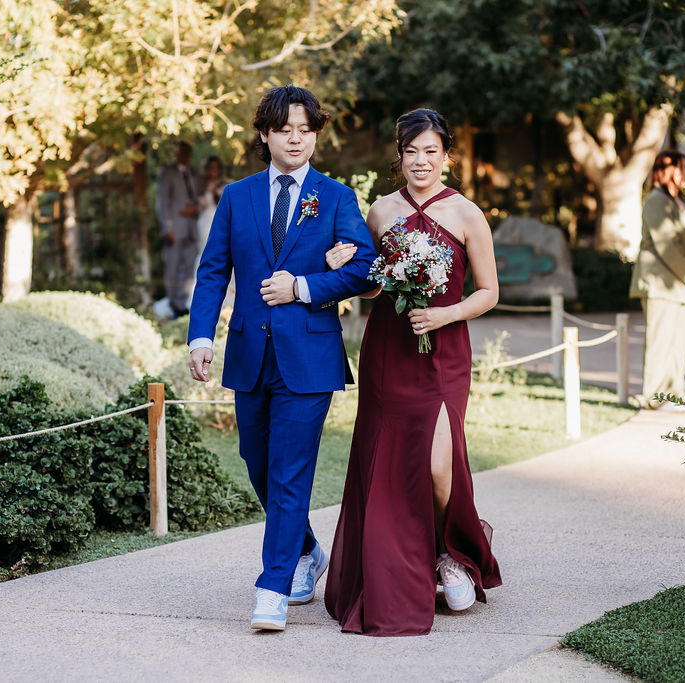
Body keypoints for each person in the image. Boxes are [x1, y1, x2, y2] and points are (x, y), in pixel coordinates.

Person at [186, 85, 378, 631]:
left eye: (306, 129)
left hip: (309, 358)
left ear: (316, 134)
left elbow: (365, 268)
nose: (297, 138)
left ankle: (272, 586)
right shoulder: (237, 196)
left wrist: (304, 286)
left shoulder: (335, 197)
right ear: (265, 134)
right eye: (285, 129)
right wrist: (202, 337)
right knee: (256, 461)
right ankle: (307, 550)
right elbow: (212, 271)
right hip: (249, 352)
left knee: (291, 471)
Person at [323, 108, 503, 637]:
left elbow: (489, 292)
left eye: (431, 152)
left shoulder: (468, 213)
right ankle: (410, 566)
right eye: (411, 152)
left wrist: (446, 313)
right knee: (390, 461)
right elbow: (374, 284)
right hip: (390, 349)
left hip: (444, 351)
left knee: (439, 466)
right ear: (398, 157)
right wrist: (345, 266)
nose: (420, 161)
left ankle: (451, 553)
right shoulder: (380, 211)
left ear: (447, 156)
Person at [628, 150, 685, 409]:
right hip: (661, 283)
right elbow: (665, 246)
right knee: (660, 342)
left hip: (684, 286)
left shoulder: (682, 201)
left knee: (679, 344)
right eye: (681, 168)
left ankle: (676, 393)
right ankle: (652, 397)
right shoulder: (655, 201)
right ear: (666, 171)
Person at [156, 140, 200, 317]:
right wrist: (168, 228)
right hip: (175, 228)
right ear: (176, 153)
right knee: (173, 266)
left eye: (186, 152)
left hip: (192, 228)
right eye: (180, 152)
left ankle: (182, 303)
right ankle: (173, 303)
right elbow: (162, 201)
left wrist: (195, 209)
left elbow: (199, 198)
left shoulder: (194, 174)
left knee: (189, 267)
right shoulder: (168, 173)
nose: (183, 156)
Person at [191, 156, 231, 307]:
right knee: (205, 251)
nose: (214, 170)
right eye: (211, 167)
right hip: (206, 219)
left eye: (216, 167)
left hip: (220, 217)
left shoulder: (226, 183)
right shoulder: (200, 184)